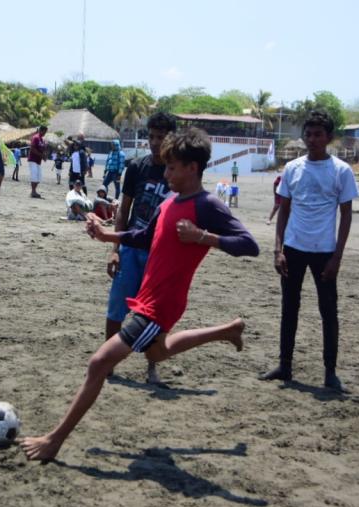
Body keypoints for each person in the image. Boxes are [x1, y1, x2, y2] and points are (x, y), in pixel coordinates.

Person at [20, 128, 259, 461]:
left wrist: (203, 236)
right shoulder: (170, 202)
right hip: (148, 296)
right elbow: (146, 236)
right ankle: (227, 330)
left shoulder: (208, 206)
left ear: (192, 168)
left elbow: (250, 245)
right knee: (158, 353)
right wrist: (107, 238)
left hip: (160, 304)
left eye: (172, 168)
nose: (166, 174)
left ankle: (55, 439)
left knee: (98, 363)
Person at [259, 111, 359, 391]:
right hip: (293, 248)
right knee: (289, 308)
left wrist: (337, 257)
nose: (312, 139)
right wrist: (277, 250)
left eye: (318, 134)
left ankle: (330, 371)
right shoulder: (293, 168)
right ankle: (285, 365)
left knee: (328, 311)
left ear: (329, 138)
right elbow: (283, 210)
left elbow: (347, 215)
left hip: (324, 252)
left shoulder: (341, 170)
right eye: (309, 134)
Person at [105, 112, 176, 384]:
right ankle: (108, 363)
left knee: (155, 315)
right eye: (152, 137)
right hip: (132, 250)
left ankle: (152, 369)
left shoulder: (176, 171)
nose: (156, 143)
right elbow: (123, 211)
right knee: (116, 309)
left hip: (160, 256)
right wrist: (114, 248)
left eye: (162, 137)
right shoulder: (136, 167)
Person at [28, 125, 47, 198]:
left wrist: (44, 156)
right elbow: (32, 148)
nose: (45, 133)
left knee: (39, 177)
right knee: (34, 176)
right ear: (41, 130)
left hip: (38, 161)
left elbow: (42, 149)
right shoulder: (35, 138)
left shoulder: (42, 139)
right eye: (44, 131)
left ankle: (34, 191)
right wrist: (41, 155)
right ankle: (33, 192)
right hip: (33, 159)